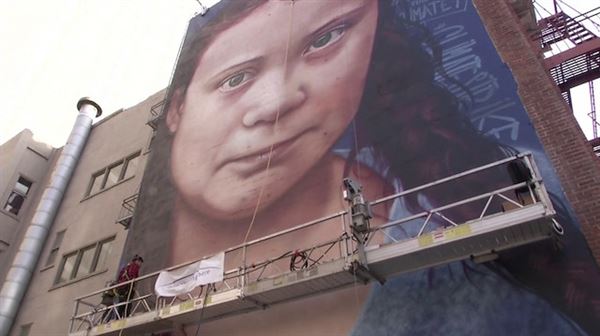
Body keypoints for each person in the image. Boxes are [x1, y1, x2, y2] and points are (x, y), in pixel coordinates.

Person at [136, 0, 600, 334]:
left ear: (371, 45)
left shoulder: (509, 183)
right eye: (236, 78)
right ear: (175, 108)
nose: (276, 103)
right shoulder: (134, 294)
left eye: (326, 38)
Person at [115, 254, 143, 318]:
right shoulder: (135, 266)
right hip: (128, 287)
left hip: (121, 287)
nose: (140, 264)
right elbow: (133, 276)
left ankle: (118, 317)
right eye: (140, 262)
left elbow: (119, 277)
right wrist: (133, 284)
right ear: (137, 261)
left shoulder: (126, 267)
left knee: (122, 303)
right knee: (128, 302)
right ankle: (126, 315)